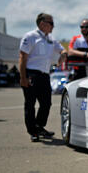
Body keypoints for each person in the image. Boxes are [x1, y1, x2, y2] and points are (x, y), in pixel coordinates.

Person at [19, 13, 67, 142]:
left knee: (46, 103)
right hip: (31, 74)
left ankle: (39, 126)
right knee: (30, 103)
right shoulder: (30, 37)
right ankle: (33, 131)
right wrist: (23, 77)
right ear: (42, 24)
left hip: (45, 75)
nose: (53, 26)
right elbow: (23, 58)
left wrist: (63, 54)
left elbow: (61, 49)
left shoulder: (50, 38)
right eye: (51, 23)